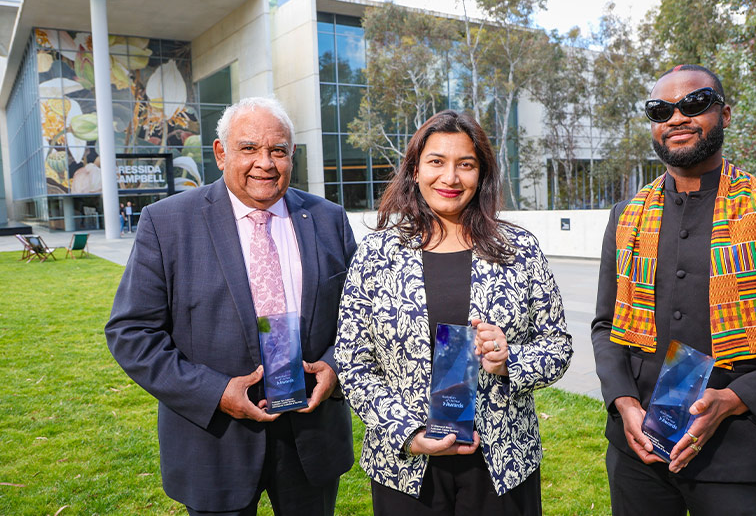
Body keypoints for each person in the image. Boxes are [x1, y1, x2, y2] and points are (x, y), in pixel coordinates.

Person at [591, 64, 756, 516]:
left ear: (724, 114)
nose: (677, 117)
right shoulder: (626, 217)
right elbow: (606, 325)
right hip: (638, 452)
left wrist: (734, 399)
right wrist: (623, 401)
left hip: (737, 454)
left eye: (694, 103)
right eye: (661, 109)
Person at [106, 97, 356, 516]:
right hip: (215, 442)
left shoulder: (328, 218)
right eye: (249, 148)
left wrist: (334, 366)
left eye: (278, 150)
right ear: (221, 154)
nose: (265, 163)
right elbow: (131, 333)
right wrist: (216, 392)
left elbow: (358, 317)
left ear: (291, 155)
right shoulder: (167, 223)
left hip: (310, 440)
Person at [335, 110, 572, 516]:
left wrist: (510, 359)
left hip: (501, 462)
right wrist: (406, 432)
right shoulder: (376, 255)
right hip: (406, 466)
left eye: (466, 164)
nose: (451, 178)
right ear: (414, 170)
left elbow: (558, 346)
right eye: (436, 162)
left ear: (482, 174)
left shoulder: (519, 249)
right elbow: (352, 362)